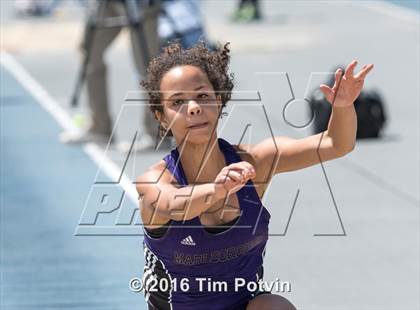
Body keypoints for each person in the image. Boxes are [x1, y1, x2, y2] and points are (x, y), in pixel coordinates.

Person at [136, 41, 373, 309]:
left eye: (202, 96)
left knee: (274, 306)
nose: (193, 107)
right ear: (161, 117)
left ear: (219, 99)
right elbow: (176, 206)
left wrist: (342, 106)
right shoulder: (155, 181)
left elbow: (336, 144)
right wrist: (218, 188)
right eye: (177, 102)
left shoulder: (255, 162)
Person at [60, 0, 166, 150]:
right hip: (107, 3)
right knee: (90, 54)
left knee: (147, 64)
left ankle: (157, 132)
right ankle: (99, 128)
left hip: (140, 4)